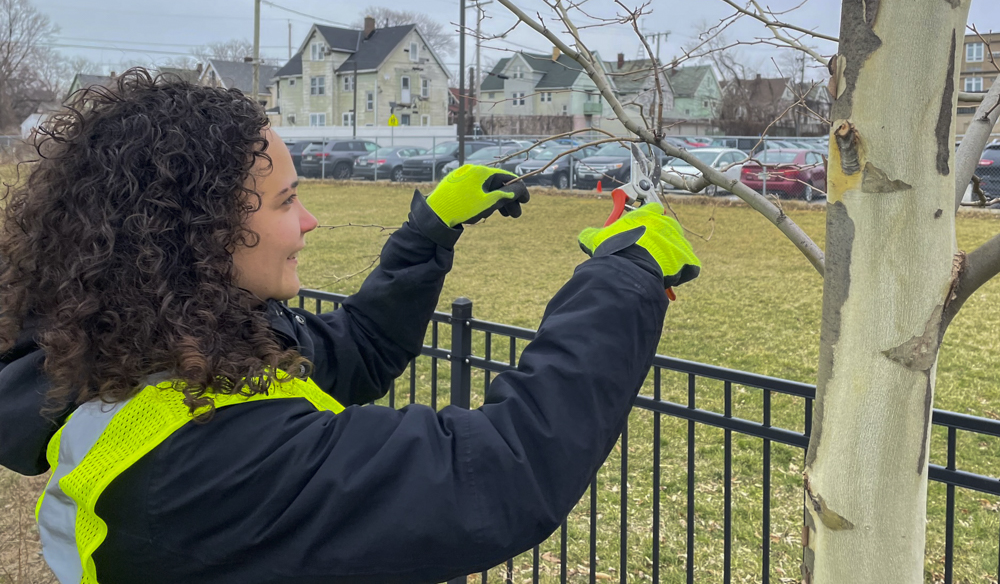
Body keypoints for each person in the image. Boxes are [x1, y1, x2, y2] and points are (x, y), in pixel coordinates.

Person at [0, 69, 700, 584]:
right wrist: (626, 278)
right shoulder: (200, 461)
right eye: (285, 200)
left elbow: (355, 350)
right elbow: (499, 470)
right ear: (201, 237)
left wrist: (426, 236)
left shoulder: (164, 361)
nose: (309, 220)